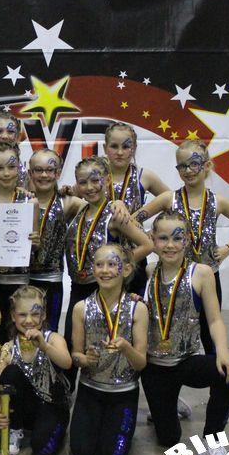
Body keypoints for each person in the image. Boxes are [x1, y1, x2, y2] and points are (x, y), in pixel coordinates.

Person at [140, 210, 229, 455]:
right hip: (155, 367)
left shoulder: (202, 273)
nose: (170, 245)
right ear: (152, 239)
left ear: (187, 239)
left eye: (177, 238)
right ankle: (171, 401)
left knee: (228, 373)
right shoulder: (147, 273)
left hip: (186, 361)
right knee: (168, 439)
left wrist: (223, 351)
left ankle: (213, 443)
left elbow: (214, 320)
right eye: (163, 238)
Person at [135, 140, 229, 355]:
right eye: (182, 166)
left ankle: (215, 365)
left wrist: (228, 248)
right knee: (168, 327)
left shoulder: (218, 202)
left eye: (194, 164)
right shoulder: (169, 198)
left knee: (210, 331)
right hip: (172, 276)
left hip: (208, 276)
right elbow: (133, 220)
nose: (188, 170)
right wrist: (152, 244)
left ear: (207, 166)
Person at [63, 156, 152, 391]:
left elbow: (147, 244)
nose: (90, 187)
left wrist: (119, 268)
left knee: (107, 342)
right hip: (77, 287)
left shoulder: (114, 216)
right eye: (83, 182)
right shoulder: (79, 209)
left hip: (102, 288)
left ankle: (115, 389)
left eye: (96, 180)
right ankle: (67, 395)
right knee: (73, 342)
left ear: (108, 180)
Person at [69, 244, 148, 455]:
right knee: (82, 453)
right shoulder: (81, 308)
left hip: (123, 392)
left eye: (112, 264)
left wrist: (126, 348)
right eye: (99, 264)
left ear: (126, 269)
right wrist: (84, 360)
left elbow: (141, 363)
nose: (105, 270)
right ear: (92, 269)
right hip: (90, 389)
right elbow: (75, 355)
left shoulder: (138, 309)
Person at [0, 285, 72, 455]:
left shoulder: (53, 339)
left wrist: (45, 346)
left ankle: (48, 428)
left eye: (35, 314)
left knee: (43, 449)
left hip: (52, 404)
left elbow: (67, 363)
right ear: (13, 316)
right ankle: (15, 428)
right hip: (25, 408)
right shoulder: (9, 347)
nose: (29, 320)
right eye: (22, 315)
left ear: (43, 315)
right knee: (10, 372)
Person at [0, 142, 40, 332]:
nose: (6, 173)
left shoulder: (30, 202)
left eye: (12, 167)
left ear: (20, 167)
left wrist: (36, 241)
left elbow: (35, 247)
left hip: (20, 282)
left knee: (20, 334)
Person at [102, 121, 171, 296]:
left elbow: (173, 202)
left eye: (126, 147)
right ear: (105, 147)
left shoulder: (144, 176)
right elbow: (78, 202)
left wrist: (153, 230)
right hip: (101, 257)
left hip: (136, 255)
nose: (120, 152)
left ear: (134, 148)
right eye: (114, 146)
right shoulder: (96, 177)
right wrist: (66, 191)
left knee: (133, 306)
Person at [28, 149, 86, 332]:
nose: (44, 175)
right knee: (22, 331)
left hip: (52, 280)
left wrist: (118, 204)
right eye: (38, 170)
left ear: (58, 173)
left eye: (50, 170)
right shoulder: (20, 201)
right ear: (30, 173)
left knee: (49, 331)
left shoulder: (67, 202)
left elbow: (98, 208)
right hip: (22, 278)